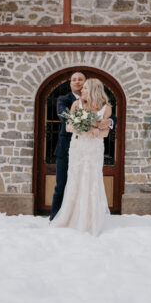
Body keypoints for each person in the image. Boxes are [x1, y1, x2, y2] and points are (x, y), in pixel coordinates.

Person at [51, 78, 112, 236]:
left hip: (94, 149)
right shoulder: (76, 104)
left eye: (85, 88)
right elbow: (69, 126)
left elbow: (105, 131)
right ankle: (72, 217)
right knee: (76, 179)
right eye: (82, 88)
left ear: (93, 90)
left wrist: (99, 130)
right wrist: (86, 129)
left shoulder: (106, 108)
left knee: (92, 180)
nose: (82, 91)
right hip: (78, 147)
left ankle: (90, 219)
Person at [49, 71, 86, 220]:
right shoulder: (63, 99)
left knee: (84, 185)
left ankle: (79, 218)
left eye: (80, 79)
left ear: (86, 83)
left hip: (86, 150)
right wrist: (88, 123)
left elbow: (112, 117)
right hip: (65, 148)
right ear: (70, 83)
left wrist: (108, 123)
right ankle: (54, 217)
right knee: (61, 185)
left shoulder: (95, 101)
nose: (77, 82)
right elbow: (64, 115)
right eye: (74, 80)